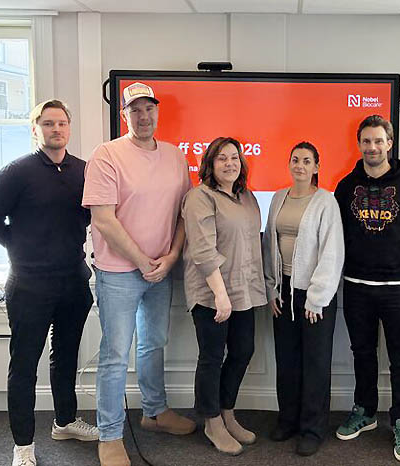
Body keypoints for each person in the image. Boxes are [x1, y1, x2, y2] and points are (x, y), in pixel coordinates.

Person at [0, 99, 98, 466]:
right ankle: (23, 445)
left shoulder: (84, 170)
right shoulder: (16, 171)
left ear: (69, 128)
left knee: (66, 355)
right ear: (35, 129)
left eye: (61, 123)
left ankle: (64, 421)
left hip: (73, 282)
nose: (55, 129)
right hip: (28, 284)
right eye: (48, 123)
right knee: (24, 365)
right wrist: (22, 247)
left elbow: (91, 216)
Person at [83, 82, 196, 466]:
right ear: (124, 115)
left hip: (161, 270)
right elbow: (103, 219)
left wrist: (172, 255)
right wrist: (142, 261)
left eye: (149, 109)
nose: (144, 116)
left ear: (157, 112)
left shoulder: (175, 156)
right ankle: (110, 435)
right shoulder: (107, 155)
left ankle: (155, 412)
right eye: (135, 110)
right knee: (115, 354)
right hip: (119, 272)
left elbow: (184, 213)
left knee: (153, 342)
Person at [334, 115, 400, 463]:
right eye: (366, 141)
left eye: (378, 141)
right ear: (359, 144)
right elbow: (337, 232)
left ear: (389, 143)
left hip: (398, 287)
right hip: (357, 285)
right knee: (362, 353)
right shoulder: (345, 187)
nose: (372, 147)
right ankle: (365, 411)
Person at [181, 137, 267, 456]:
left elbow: (254, 244)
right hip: (211, 294)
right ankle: (212, 421)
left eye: (234, 157)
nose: (230, 163)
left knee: (243, 351)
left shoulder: (247, 197)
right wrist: (220, 294)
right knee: (212, 357)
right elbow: (203, 250)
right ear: (210, 164)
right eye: (222, 158)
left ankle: (227, 411)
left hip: (244, 290)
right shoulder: (199, 197)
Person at [262, 141, 344, 456]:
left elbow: (332, 252)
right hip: (283, 291)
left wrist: (317, 298)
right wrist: (271, 288)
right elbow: (269, 244)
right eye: (295, 160)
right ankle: (288, 420)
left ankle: (312, 429)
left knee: (315, 363)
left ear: (316, 167)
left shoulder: (326, 202)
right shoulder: (278, 198)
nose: (300, 165)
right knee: (287, 360)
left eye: (307, 161)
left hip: (314, 294)